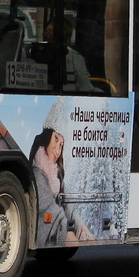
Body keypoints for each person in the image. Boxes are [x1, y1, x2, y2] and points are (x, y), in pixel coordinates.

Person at [29, 99, 93, 246]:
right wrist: (70, 236)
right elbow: (52, 212)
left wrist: (82, 228)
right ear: (47, 136)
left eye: (61, 144)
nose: (57, 150)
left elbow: (67, 204)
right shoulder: (38, 173)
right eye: (56, 139)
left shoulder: (55, 173)